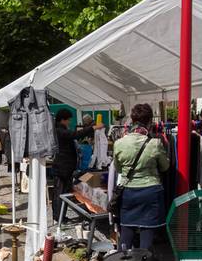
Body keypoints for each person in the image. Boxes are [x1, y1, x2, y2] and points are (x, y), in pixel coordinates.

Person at [112, 103, 169, 251]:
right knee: (147, 231)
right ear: (150, 121)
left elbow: (118, 169)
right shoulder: (155, 143)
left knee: (127, 229)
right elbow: (165, 167)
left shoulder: (119, 143)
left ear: (132, 119)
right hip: (150, 191)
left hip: (128, 192)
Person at [51, 110, 102, 219]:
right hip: (62, 168)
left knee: (62, 193)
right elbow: (75, 135)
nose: (69, 122)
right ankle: (58, 216)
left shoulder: (60, 129)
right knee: (60, 194)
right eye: (68, 120)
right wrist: (93, 127)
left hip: (65, 167)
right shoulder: (59, 130)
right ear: (63, 120)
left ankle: (60, 216)